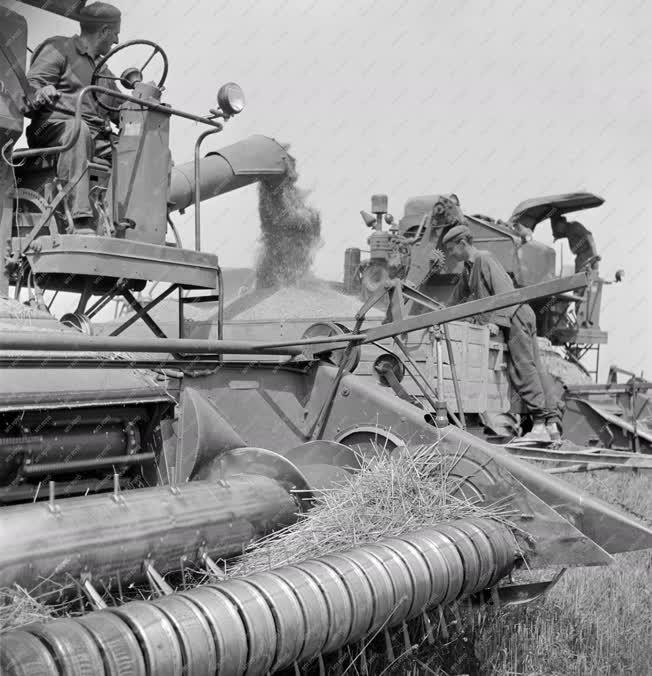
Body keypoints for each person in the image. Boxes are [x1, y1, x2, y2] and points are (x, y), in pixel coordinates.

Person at [442, 224, 562, 441]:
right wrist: (441, 314)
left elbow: (504, 293)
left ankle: (539, 425)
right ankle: (552, 423)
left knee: (522, 368)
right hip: (519, 314)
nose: (450, 254)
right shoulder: (469, 268)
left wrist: (496, 322)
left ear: (462, 243)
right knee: (534, 365)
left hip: (515, 314)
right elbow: (455, 300)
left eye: (451, 249)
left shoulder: (484, 259)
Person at [24, 2, 122, 234]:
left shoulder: (104, 72)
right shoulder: (59, 48)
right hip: (54, 130)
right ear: (105, 31)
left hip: (96, 138)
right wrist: (41, 92)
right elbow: (29, 88)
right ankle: (79, 220)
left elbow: (121, 108)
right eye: (116, 34)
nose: (117, 41)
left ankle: (127, 222)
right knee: (79, 130)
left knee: (138, 149)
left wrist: (144, 100)